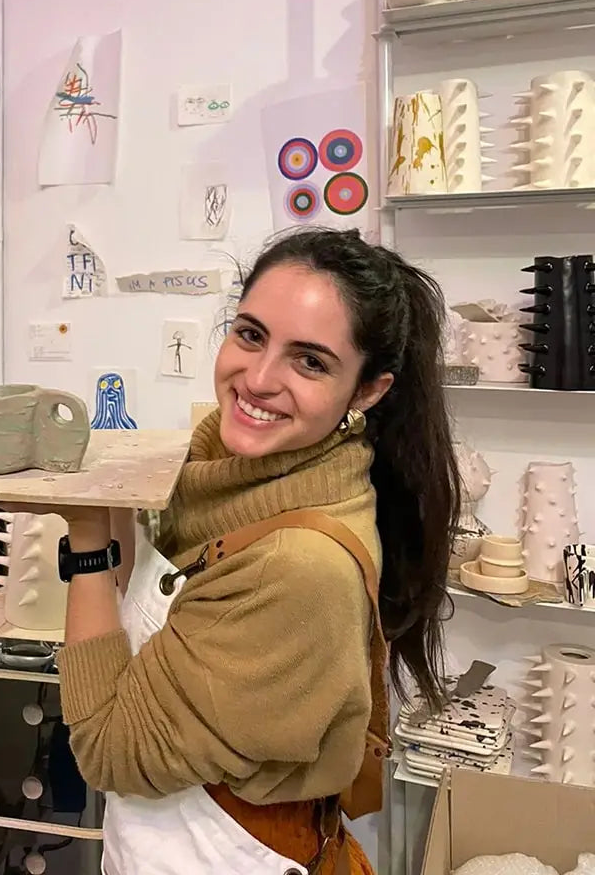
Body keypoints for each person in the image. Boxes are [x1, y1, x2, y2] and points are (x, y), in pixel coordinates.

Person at [45, 227, 460, 874]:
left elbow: (108, 751)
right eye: (250, 334)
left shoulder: (296, 567)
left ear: (369, 391)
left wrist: (87, 540)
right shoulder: (233, 467)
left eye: (310, 361)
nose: (258, 379)